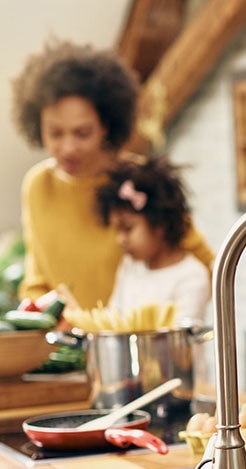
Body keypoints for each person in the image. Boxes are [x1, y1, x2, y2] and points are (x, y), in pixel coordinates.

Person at [11, 39, 214, 311]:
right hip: (67, 347)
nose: (68, 148)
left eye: (82, 133)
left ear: (106, 125)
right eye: (55, 134)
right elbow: (37, 281)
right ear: (37, 126)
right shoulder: (38, 186)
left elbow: (206, 265)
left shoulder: (139, 182)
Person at [96, 155, 211, 323]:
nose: (120, 239)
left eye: (128, 229)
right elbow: (113, 319)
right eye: (117, 231)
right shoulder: (129, 266)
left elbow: (179, 340)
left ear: (160, 225)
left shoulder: (191, 277)